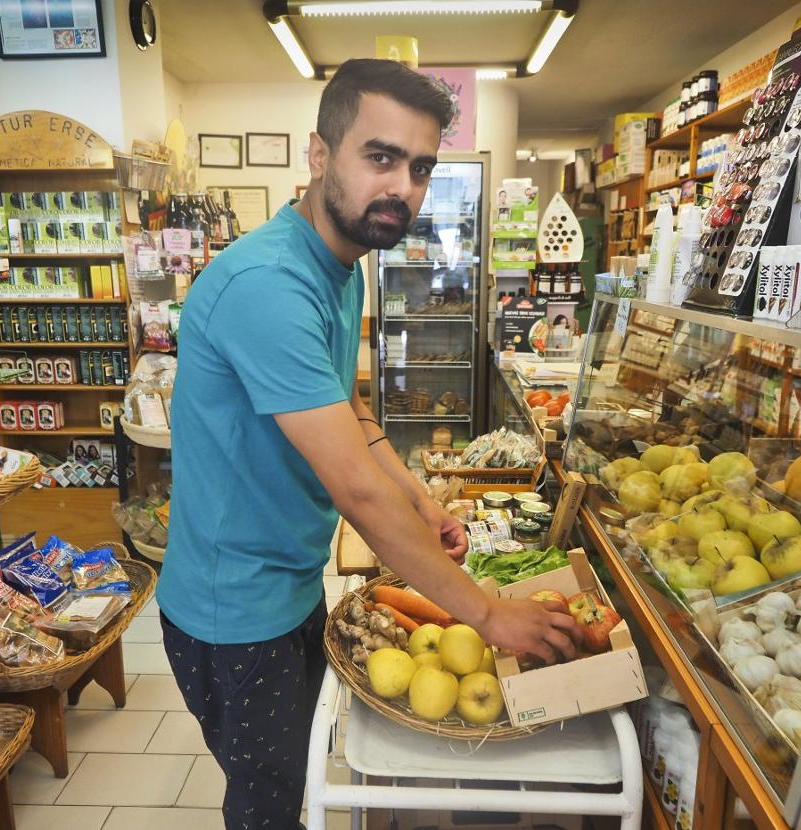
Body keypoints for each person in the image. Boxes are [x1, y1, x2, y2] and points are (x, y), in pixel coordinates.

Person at [157, 58, 580, 830]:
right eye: (379, 157)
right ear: (320, 157)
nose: (404, 188)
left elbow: (348, 409)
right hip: (232, 610)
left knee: (299, 777)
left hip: (285, 585)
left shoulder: (342, 263)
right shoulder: (268, 286)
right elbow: (353, 488)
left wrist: (419, 496)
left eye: (420, 168)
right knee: (269, 804)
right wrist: (488, 616)